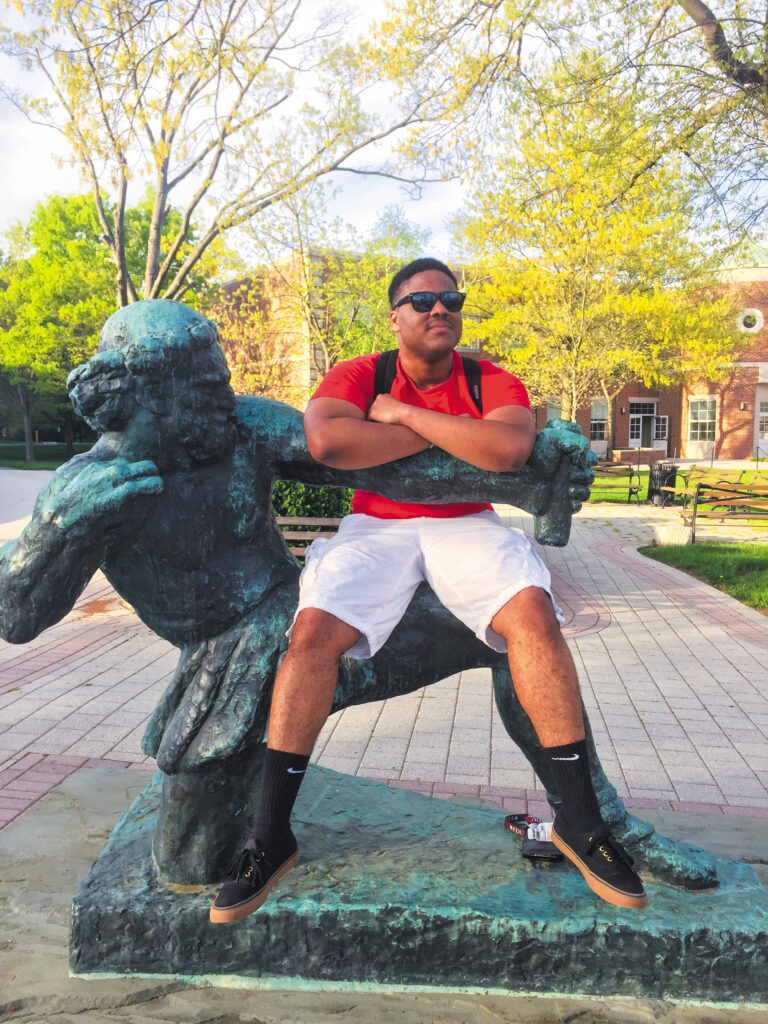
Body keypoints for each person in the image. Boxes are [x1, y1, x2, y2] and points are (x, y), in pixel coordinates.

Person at [210, 258, 647, 924]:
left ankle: (581, 825)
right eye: (421, 302)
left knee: (533, 615)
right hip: (374, 528)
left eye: (451, 300)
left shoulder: (487, 376)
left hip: (467, 523)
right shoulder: (359, 373)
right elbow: (328, 440)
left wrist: (399, 416)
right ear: (395, 316)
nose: (439, 310)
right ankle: (269, 837)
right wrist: (445, 433)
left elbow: (505, 452)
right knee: (311, 636)